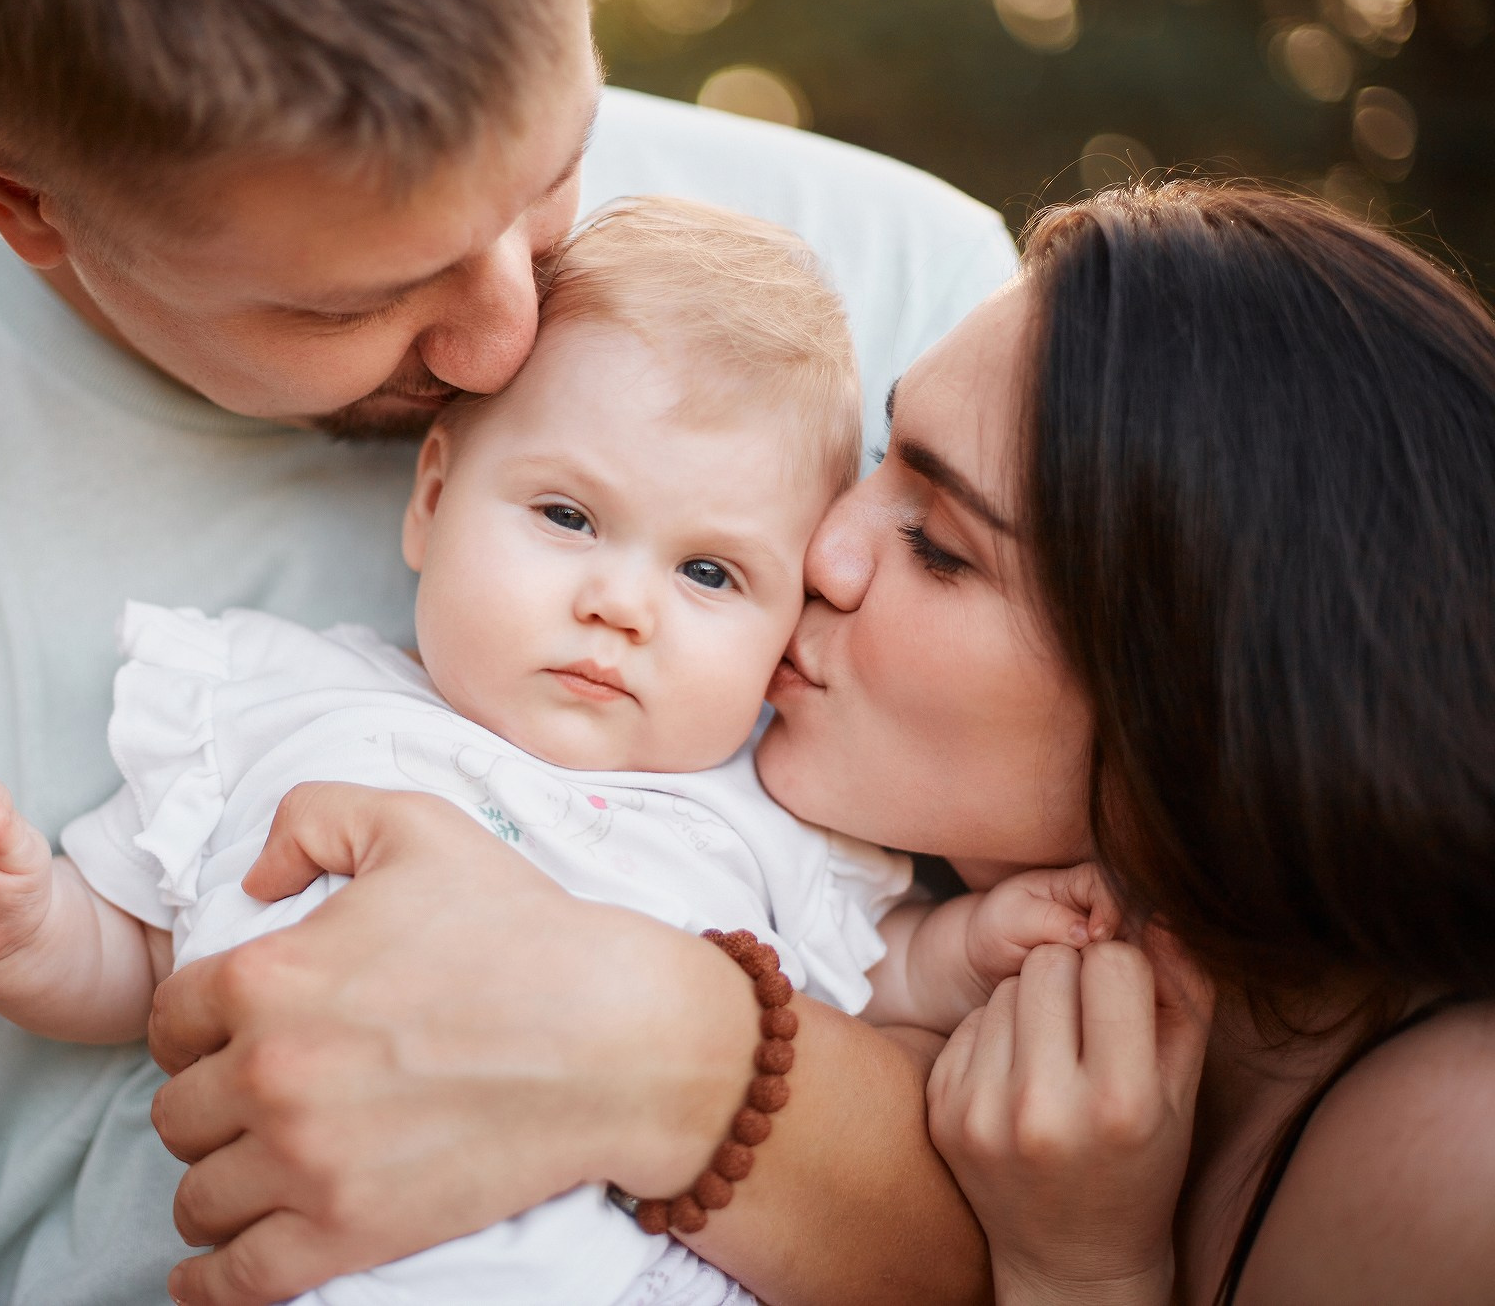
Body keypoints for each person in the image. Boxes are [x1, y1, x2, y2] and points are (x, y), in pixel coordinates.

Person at [0, 0, 1014, 1300]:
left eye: (553, 179)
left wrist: (661, 1050)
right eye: (352, 301)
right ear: (25, 202)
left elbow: (1101, 1217)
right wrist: (25, 926)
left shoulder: (921, 333)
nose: (505, 341)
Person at [155, 181, 1495, 1306]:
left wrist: (1083, 1277)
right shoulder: (905, 912)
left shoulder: (1452, 1158)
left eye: (939, 546)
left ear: (1196, 706)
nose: (824, 551)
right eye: (875, 463)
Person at [0, 198, 1112, 1305]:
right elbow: (149, 959)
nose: (619, 604)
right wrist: (25, 931)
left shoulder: (762, 812)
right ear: (430, 500)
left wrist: (968, 950)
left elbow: (878, 984)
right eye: (567, 516)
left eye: (707, 573)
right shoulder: (282, 707)